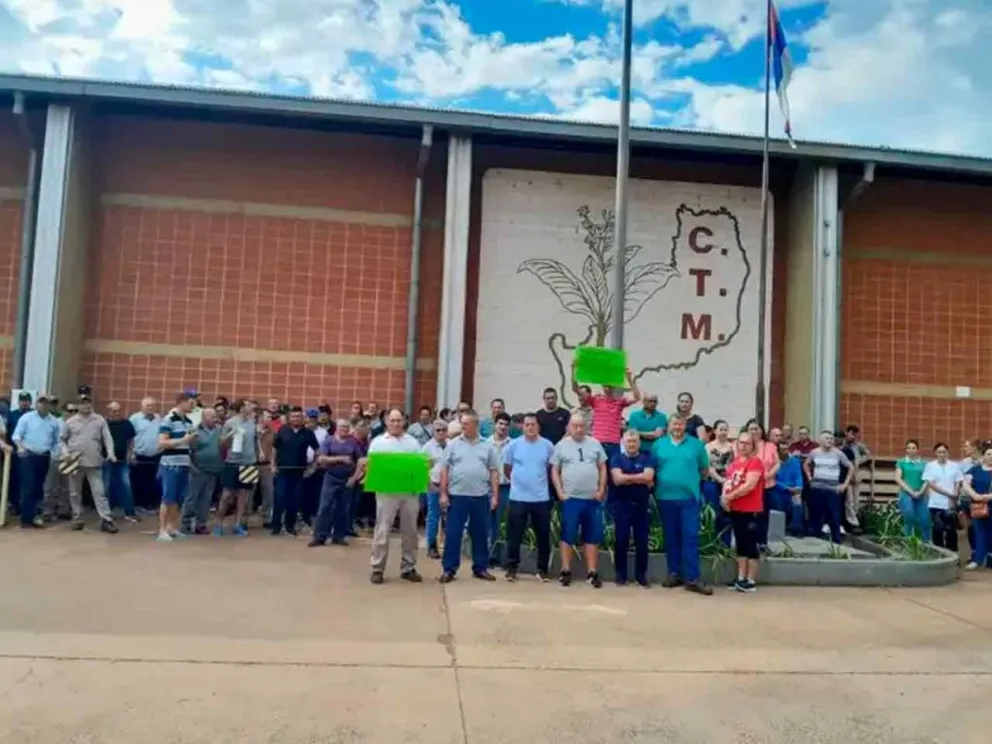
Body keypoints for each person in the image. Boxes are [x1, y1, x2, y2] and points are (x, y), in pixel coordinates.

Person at [652, 414, 712, 595]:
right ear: (669, 426)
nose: (677, 427)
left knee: (690, 536)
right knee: (671, 537)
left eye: (681, 424)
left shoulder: (696, 445)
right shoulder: (658, 445)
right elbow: (652, 469)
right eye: (674, 424)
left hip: (688, 499)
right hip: (665, 498)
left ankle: (692, 578)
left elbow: (704, 470)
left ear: (685, 425)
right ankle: (674, 573)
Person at [439, 410, 501, 583]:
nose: (462, 426)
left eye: (466, 423)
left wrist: (495, 495)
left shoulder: (487, 446)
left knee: (480, 533)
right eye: (462, 423)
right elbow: (444, 469)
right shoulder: (453, 444)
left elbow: (493, 471)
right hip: (457, 496)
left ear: (475, 425)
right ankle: (449, 569)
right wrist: (443, 493)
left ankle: (480, 568)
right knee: (453, 533)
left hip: (480, 496)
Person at [552, 412, 608, 588]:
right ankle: (565, 570)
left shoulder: (595, 444)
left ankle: (592, 572)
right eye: (574, 425)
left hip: (592, 498)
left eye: (581, 425)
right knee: (568, 534)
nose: (578, 429)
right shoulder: (561, 446)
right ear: (569, 427)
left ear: (586, 427)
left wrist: (601, 490)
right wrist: (560, 492)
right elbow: (555, 470)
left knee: (592, 536)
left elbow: (603, 467)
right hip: (571, 499)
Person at [367, 409, 423, 585]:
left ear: (404, 421)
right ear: (386, 421)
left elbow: (419, 467)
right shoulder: (378, 443)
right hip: (386, 492)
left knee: (410, 531)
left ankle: (408, 567)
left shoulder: (413, 443)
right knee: (382, 529)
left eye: (399, 420)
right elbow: (371, 467)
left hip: (409, 492)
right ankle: (377, 568)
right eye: (393, 420)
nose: (396, 424)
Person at [502, 413, 555, 582]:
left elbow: (550, 469)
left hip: (540, 497)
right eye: (527, 425)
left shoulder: (548, 446)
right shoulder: (513, 445)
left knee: (543, 535)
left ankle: (542, 569)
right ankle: (512, 568)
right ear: (522, 427)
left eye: (533, 424)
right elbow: (507, 468)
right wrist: (519, 482)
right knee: (514, 535)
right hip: (518, 497)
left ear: (538, 426)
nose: (530, 427)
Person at [62, 393, 118, 533]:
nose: (86, 405)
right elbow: (61, 440)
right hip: (75, 462)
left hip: (94, 461)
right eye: (82, 403)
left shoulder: (99, 420)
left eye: (88, 402)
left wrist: (110, 452)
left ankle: (106, 519)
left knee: (99, 492)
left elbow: (107, 438)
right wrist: (65, 453)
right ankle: (77, 517)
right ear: (78, 405)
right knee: (75, 492)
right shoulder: (70, 422)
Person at [609, 429, 655, 587]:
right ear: (623, 443)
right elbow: (617, 479)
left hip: (641, 507)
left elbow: (649, 477)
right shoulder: (616, 458)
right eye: (629, 441)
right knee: (621, 541)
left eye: (634, 441)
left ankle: (641, 576)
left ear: (639, 443)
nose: (632, 444)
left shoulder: (647, 458)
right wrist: (639, 478)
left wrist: (627, 478)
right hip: (622, 506)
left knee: (642, 543)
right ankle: (620, 575)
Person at [721, 431, 766, 592]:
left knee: (751, 545)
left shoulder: (756, 463)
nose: (743, 446)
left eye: (747, 443)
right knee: (740, 545)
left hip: (751, 510)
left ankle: (751, 580)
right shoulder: (733, 464)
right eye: (741, 442)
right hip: (736, 509)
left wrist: (729, 497)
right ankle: (741, 578)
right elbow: (727, 483)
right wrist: (724, 497)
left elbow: (749, 485)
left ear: (753, 446)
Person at [310, 418, 365, 547]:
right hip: (330, 478)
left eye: (346, 426)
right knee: (324, 507)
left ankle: (339, 536)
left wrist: (354, 478)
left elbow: (361, 462)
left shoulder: (353, 443)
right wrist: (340, 459)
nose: (344, 429)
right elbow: (321, 459)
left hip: (347, 480)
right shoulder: (328, 441)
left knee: (343, 509)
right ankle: (319, 536)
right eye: (342, 426)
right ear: (337, 428)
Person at [11, 394, 59, 529]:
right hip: (28, 455)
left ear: (50, 405)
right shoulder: (26, 418)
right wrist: (20, 447)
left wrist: (55, 454)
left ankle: (35, 515)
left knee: (39, 487)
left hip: (44, 456)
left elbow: (56, 441)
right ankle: (26, 519)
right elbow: (16, 436)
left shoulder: (53, 421)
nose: (44, 405)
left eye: (47, 403)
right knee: (28, 486)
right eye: (41, 402)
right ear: (37, 404)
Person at [271, 407, 320, 537]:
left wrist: (313, 467)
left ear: (302, 418)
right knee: (279, 498)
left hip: (299, 472)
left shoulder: (308, 432)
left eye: (298, 416)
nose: (296, 419)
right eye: (293, 416)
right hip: (282, 471)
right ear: (289, 418)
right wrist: (272, 465)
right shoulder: (283, 430)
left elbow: (317, 451)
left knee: (293, 501)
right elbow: (275, 448)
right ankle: (275, 527)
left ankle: (290, 527)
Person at [156, 393, 197, 542]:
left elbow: (188, 443)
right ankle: (161, 530)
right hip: (170, 464)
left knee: (179, 498)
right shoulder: (169, 419)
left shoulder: (188, 421)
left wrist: (191, 441)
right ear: (181, 402)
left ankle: (171, 527)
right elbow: (162, 443)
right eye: (191, 403)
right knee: (168, 497)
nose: (194, 406)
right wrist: (183, 440)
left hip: (184, 462)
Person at [215, 400, 258, 537]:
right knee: (226, 495)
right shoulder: (230, 423)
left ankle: (237, 524)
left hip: (249, 463)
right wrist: (231, 434)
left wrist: (259, 453)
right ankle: (218, 524)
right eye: (248, 405)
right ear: (241, 408)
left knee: (243, 496)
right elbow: (221, 442)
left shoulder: (252, 423)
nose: (251, 407)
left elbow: (254, 440)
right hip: (233, 462)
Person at [803, 431, 853, 544]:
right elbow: (806, 464)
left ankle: (836, 541)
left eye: (831, 438)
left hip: (832, 489)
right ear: (820, 440)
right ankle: (815, 540)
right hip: (817, 488)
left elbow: (850, 467)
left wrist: (845, 484)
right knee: (816, 514)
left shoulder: (838, 453)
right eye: (827, 438)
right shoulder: (814, 452)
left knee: (834, 515)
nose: (830, 440)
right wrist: (810, 478)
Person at [183, 408, 224, 535]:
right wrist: (192, 467)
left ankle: (201, 524)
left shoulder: (219, 430)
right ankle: (186, 523)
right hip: (198, 470)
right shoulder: (194, 431)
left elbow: (223, 446)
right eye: (212, 417)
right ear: (204, 418)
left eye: (215, 417)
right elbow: (188, 450)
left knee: (206, 499)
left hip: (213, 470)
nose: (215, 419)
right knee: (192, 498)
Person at [103, 401, 139, 523]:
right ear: (108, 411)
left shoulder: (127, 424)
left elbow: (131, 441)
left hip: (122, 460)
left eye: (118, 410)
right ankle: (106, 513)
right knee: (106, 486)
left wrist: (130, 454)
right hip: (105, 460)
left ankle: (130, 512)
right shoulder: (103, 424)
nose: (116, 413)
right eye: (114, 411)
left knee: (126, 484)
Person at [923, 442, 962, 553]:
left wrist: (954, 497)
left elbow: (958, 482)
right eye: (939, 452)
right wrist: (947, 493)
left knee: (951, 529)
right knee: (938, 529)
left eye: (944, 452)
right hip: (936, 503)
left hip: (950, 503)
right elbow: (931, 484)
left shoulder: (954, 466)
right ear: (935, 453)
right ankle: (938, 552)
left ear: (947, 452)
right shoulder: (930, 466)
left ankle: (953, 553)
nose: (942, 454)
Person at [960, 443, 992, 570]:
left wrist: (987, 497)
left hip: (990, 503)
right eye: (989, 454)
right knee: (978, 531)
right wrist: (975, 495)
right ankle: (977, 559)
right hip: (977, 505)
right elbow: (965, 484)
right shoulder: (974, 470)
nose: (991, 457)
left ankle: (989, 558)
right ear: (983, 456)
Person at [487, 412, 513, 567]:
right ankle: (490, 556)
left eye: (505, 425)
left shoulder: (514, 444)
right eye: (500, 424)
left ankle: (503, 557)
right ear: (494, 425)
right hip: (488, 487)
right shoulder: (485, 443)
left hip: (507, 488)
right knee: (490, 524)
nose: (503, 427)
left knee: (506, 523)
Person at [421, 419, 449, 560]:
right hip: (434, 484)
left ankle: (448, 544)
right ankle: (431, 545)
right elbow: (423, 469)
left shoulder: (451, 445)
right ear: (433, 432)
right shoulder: (427, 447)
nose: (441, 432)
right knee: (433, 516)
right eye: (438, 430)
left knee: (450, 516)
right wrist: (428, 485)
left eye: (444, 430)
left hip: (451, 485)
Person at [702, 420, 734, 546]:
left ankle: (725, 543)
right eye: (720, 429)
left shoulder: (732, 447)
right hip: (711, 482)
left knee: (727, 512)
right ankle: (712, 542)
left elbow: (734, 465)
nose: (723, 432)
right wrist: (720, 479)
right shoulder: (708, 447)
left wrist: (728, 481)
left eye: (725, 429)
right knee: (713, 512)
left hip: (729, 483)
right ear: (715, 431)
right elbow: (707, 467)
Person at [129, 398, 162, 511]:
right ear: (142, 406)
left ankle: (151, 504)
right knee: (140, 482)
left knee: (153, 481)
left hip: (156, 456)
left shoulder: (158, 418)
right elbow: (130, 438)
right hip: (139, 456)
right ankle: (140, 505)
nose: (151, 408)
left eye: (153, 405)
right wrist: (131, 453)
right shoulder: (134, 418)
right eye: (148, 405)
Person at [894, 439, 929, 541]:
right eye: (908, 448)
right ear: (906, 450)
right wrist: (911, 492)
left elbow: (927, 479)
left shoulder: (923, 464)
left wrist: (921, 492)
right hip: (906, 493)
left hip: (921, 494)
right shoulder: (901, 462)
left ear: (918, 450)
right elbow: (898, 478)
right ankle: (908, 541)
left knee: (925, 519)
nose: (911, 450)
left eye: (913, 448)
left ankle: (927, 543)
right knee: (909, 515)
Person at [771, 441, 804, 537]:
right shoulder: (774, 463)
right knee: (778, 501)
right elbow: (773, 480)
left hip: (793, 489)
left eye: (787, 449)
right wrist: (787, 488)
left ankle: (796, 528)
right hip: (780, 490)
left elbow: (798, 477)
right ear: (777, 452)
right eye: (783, 450)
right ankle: (780, 529)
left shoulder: (795, 461)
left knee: (797, 500)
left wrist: (798, 487)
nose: (786, 452)